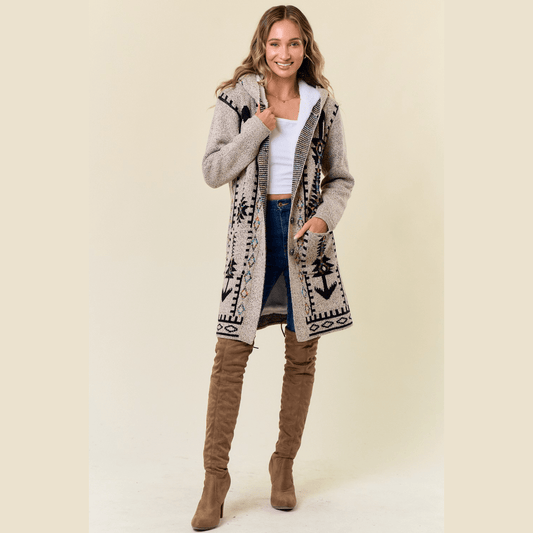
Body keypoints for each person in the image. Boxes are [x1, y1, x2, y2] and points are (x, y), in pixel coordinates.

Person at [191, 5, 354, 530]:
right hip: (251, 240)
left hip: (303, 239)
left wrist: (324, 219)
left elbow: (340, 178)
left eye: (294, 43)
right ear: (262, 45)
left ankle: (283, 465)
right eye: (275, 43)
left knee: (301, 354)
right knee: (230, 357)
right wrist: (256, 130)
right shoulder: (236, 99)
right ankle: (215, 479)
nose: (284, 53)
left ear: (306, 48)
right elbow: (213, 170)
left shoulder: (322, 104)